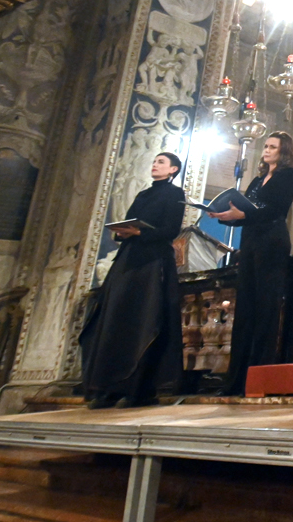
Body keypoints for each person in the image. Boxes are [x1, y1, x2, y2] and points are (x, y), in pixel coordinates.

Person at [80, 152, 186, 408]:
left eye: (161, 162)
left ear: (173, 170)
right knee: (114, 322)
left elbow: (171, 231)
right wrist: (125, 231)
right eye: (154, 161)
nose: (155, 165)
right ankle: (108, 388)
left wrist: (140, 232)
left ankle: (139, 389)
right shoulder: (143, 194)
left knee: (144, 322)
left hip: (152, 263)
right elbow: (126, 224)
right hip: (128, 261)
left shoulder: (174, 195)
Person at [215, 131, 293, 395]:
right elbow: (246, 213)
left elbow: (275, 210)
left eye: (272, 147)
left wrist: (244, 214)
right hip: (250, 243)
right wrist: (225, 216)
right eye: (265, 146)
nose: (266, 150)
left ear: (283, 151)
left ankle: (260, 379)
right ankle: (235, 381)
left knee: (266, 309)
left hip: (272, 243)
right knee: (245, 311)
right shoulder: (256, 179)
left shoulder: (289, 176)